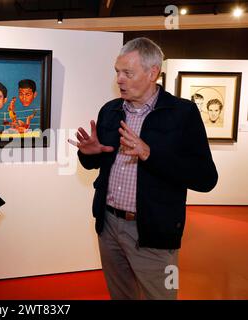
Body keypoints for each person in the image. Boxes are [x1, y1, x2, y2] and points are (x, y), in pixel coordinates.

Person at [68, 37, 218, 300]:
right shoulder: (111, 111)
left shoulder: (183, 113)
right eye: (117, 71)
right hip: (109, 226)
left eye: (128, 72)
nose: (119, 79)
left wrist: (150, 154)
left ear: (152, 73)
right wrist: (87, 154)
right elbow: (99, 163)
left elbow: (206, 178)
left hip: (155, 232)